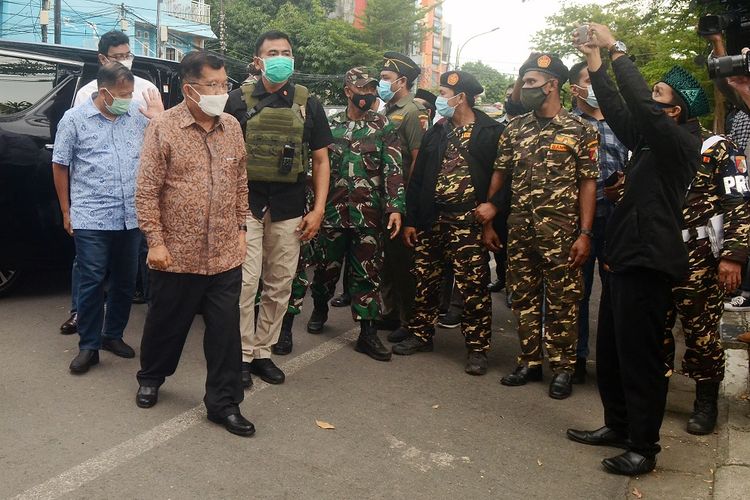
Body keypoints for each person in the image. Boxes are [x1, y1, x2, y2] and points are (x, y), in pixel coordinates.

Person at [566, 24, 705, 476]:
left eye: (659, 94)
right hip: (625, 257)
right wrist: (594, 61)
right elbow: (620, 111)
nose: (652, 100)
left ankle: (644, 447)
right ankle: (619, 426)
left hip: (649, 261)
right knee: (612, 349)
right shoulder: (650, 141)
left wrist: (617, 50)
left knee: (641, 357)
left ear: (674, 110)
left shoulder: (681, 143)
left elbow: (639, 109)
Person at [135, 51, 254, 437]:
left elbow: (240, 183)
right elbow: (147, 189)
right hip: (176, 253)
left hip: (223, 253)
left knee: (224, 331)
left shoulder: (232, 126)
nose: (222, 91)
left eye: (225, 84)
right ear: (190, 89)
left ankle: (224, 403)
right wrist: (155, 241)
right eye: (214, 85)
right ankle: (152, 376)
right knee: (166, 323)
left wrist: (240, 229)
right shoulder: (164, 128)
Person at [224, 30, 331, 388]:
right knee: (245, 282)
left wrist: (317, 209)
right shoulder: (235, 101)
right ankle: (240, 353)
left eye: (286, 51)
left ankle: (262, 352)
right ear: (258, 61)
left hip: (289, 206)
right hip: (246, 204)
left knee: (279, 283)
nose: (281, 57)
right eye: (273, 52)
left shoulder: (307, 103)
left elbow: (320, 159)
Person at [493, 54, 598, 400]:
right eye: (524, 82)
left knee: (563, 302)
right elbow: (501, 176)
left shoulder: (580, 130)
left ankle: (563, 367)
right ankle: (529, 361)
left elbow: (588, 183)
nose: (524, 89)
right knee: (522, 298)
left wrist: (584, 233)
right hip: (521, 231)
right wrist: (488, 210)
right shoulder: (515, 128)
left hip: (562, 233)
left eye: (531, 82)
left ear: (552, 85)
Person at [51, 63, 163, 373]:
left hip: (130, 216)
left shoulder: (136, 118)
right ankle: (88, 346)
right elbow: (60, 164)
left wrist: (158, 118)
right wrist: (66, 210)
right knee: (91, 282)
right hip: (91, 215)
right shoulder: (74, 120)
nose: (129, 99)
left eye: (130, 93)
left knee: (126, 282)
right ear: (104, 92)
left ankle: (112, 335)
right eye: (123, 94)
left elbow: (163, 150)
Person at [391, 70, 502, 376]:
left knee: (473, 286)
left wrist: (494, 212)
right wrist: (412, 219)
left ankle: (478, 348)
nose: (440, 99)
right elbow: (418, 178)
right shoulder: (437, 131)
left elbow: (505, 177)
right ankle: (421, 334)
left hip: (468, 220)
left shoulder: (491, 131)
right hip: (432, 218)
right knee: (425, 279)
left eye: (443, 93)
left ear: (460, 97)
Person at [307, 67, 405, 360]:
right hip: (332, 213)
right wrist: (314, 207)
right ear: (348, 91)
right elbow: (317, 167)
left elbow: (394, 169)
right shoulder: (330, 125)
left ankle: (367, 332)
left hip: (368, 214)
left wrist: (395, 207)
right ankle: (320, 307)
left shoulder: (384, 126)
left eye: (371, 89)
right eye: (361, 89)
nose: (368, 94)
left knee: (367, 273)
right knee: (325, 270)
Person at [568, 61, 630, 384]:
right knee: (577, 290)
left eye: (596, 80)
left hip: (616, 220)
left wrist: (623, 185)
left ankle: (614, 362)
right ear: (574, 88)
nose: (593, 86)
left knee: (616, 294)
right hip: (579, 222)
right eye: (587, 80)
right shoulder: (567, 124)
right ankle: (575, 358)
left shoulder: (621, 124)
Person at [377, 51, 430, 343]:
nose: (381, 83)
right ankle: (391, 313)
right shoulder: (386, 112)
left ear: (402, 81)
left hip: (402, 201)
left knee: (404, 265)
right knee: (387, 261)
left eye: (386, 79)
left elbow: (416, 159)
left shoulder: (413, 112)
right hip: (384, 201)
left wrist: (405, 202)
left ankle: (409, 321)